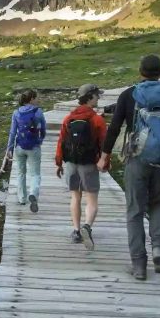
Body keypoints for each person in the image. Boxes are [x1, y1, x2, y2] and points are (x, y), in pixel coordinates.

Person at [97, 55, 160, 280]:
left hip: (137, 158)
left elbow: (115, 128)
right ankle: (159, 250)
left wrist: (104, 156)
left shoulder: (129, 95)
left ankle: (139, 264)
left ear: (140, 71)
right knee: (158, 203)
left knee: (134, 211)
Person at [55, 84, 107, 250]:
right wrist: (106, 162)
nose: (98, 98)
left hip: (71, 163)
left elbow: (61, 141)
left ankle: (76, 231)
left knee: (75, 197)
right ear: (90, 97)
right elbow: (104, 144)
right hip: (89, 164)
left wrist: (59, 163)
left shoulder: (68, 118)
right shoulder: (97, 119)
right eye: (97, 96)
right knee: (91, 199)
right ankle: (87, 227)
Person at [6, 89, 47, 213]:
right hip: (34, 147)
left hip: (19, 147)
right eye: (36, 98)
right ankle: (33, 193)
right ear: (31, 99)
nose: (38, 100)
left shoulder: (16, 112)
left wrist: (9, 148)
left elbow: (13, 132)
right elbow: (43, 129)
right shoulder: (38, 111)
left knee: (21, 173)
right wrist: (40, 140)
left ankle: (22, 198)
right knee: (35, 174)